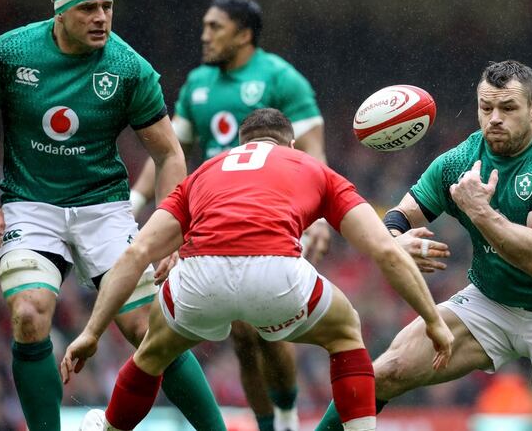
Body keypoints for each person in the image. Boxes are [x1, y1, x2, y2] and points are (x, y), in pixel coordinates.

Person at [59, 108, 454, 431]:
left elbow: (137, 252)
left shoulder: (207, 171)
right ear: (291, 144)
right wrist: (432, 320)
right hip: (275, 277)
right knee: (345, 330)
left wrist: (91, 332)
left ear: (240, 144)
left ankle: (108, 428)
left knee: (153, 351)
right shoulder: (311, 168)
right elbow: (384, 250)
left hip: (200, 279)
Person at [316, 60, 532, 431]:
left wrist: (479, 211)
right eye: (486, 107)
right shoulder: (460, 160)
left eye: (508, 108)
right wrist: (395, 241)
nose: (494, 118)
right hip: (488, 303)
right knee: (382, 374)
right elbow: (401, 214)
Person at [0, 0, 225, 430]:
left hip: (103, 208)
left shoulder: (128, 67)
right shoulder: (9, 53)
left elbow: (170, 154)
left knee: (149, 329)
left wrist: (171, 231)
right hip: (30, 204)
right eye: (88, 9)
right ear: (59, 12)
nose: (101, 18)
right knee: (28, 313)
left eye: (107, 6)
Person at [130, 0, 328, 431]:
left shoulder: (281, 77)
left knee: (265, 326)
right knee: (241, 334)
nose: (204, 35)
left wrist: (320, 216)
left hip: (274, 210)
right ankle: (267, 425)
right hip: (217, 210)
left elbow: (313, 151)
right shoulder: (197, 83)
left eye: (215, 27)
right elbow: (169, 149)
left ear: (243, 34)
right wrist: (136, 201)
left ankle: (287, 417)